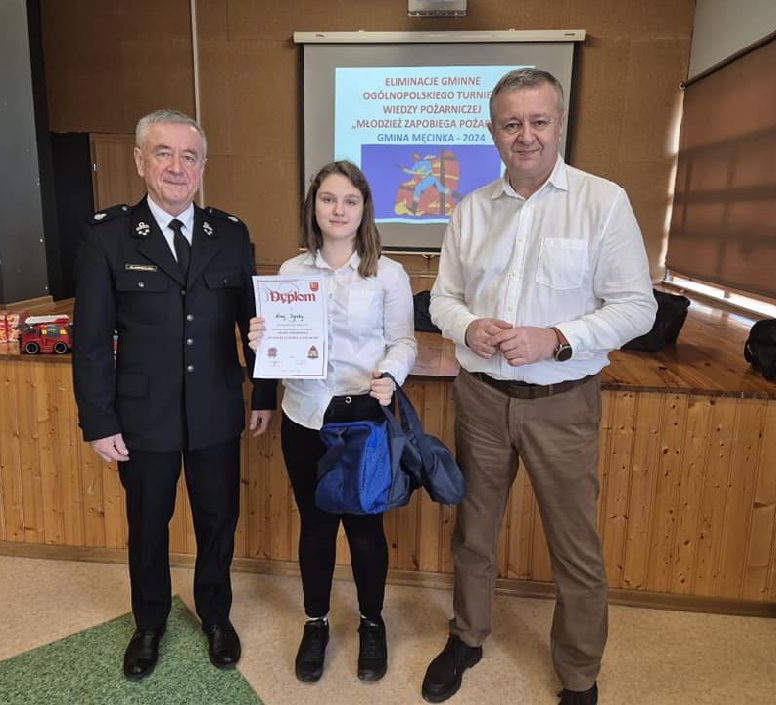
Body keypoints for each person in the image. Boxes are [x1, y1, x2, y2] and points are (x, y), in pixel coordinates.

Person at [421, 69, 657, 705]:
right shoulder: (470, 209)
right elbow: (442, 299)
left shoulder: (603, 202)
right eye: (511, 123)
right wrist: (468, 327)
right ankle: (467, 637)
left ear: (560, 124)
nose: (525, 135)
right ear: (492, 131)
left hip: (562, 403)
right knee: (473, 533)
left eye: (538, 121)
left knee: (575, 547)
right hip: (480, 399)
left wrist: (555, 337)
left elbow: (638, 308)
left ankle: (579, 676)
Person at [72, 108, 276, 680]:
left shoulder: (229, 235)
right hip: (142, 416)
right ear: (141, 161)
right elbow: (90, 340)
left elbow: (255, 325)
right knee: (148, 525)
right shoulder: (107, 236)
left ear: (203, 166)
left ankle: (216, 615)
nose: (177, 167)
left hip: (216, 409)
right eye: (164, 154)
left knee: (218, 520)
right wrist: (98, 421)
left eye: (190, 156)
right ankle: (149, 623)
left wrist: (263, 394)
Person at [247, 160, 416, 683]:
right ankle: (316, 623)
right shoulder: (291, 273)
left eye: (349, 200)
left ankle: (371, 623)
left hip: (363, 419)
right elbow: (280, 347)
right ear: (313, 207)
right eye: (328, 199)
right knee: (316, 526)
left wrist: (391, 374)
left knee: (365, 529)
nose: (338, 209)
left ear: (364, 209)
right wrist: (262, 341)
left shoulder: (387, 273)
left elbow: (403, 341)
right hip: (305, 416)